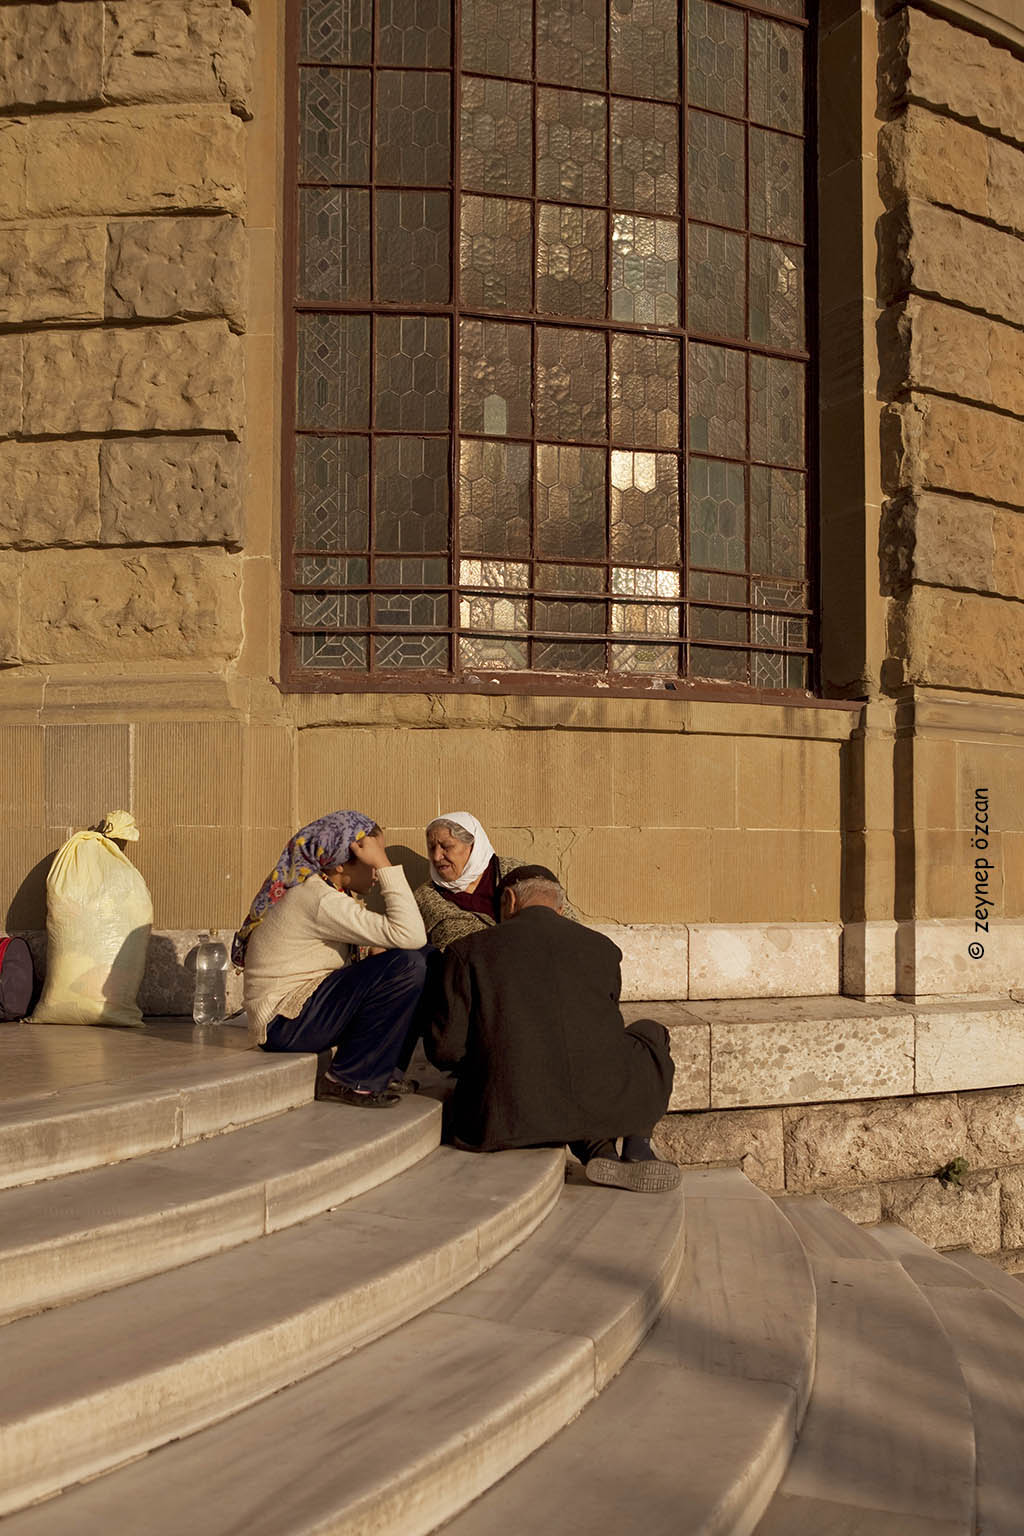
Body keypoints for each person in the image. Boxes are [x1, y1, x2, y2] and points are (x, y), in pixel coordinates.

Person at [427, 864, 680, 1193]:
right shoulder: (602, 949)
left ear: (509, 899)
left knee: (540, 1067)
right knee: (650, 1031)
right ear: (559, 909)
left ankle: (600, 1151)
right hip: (596, 1100)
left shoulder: (468, 951)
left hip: (500, 1118)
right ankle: (634, 1146)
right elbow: (601, 1029)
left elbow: (446, 1050)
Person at [235, 811, 428, 1108]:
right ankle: (350, 1080)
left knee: (423, 960)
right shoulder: (319, 899)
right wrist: (387, 867)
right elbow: (411, 934)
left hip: (298, 1014)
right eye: (372, 859)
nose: (376, 870)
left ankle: (384, 1070)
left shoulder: (326, 891)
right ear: (340, 863)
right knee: (407, 964)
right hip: (283, 1023)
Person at [415, 812, 577, 950]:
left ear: (473, 846)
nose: (436, 857)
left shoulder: (516, 873)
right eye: (431, 847)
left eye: (446, 846)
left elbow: (571, 924)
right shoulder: (425, 898)